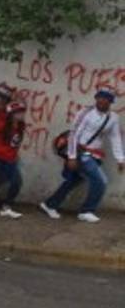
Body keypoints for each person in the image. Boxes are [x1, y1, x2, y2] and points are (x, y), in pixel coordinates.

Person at [41, 89, 124, 223]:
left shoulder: (113, 117)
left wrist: (120, 158)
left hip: (95, 155)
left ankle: (49, 204)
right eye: (100, 97)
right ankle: (87, 211)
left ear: (110, 102)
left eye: (106, 99)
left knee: (73, 181)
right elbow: (74, 134)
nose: (102, 101)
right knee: (101, 181)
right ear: (96, 98)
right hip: (81, 153)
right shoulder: (85, 113)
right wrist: (72, 156)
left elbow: (115, 137)